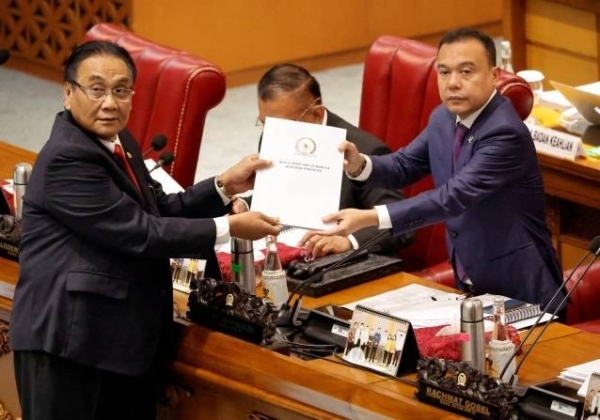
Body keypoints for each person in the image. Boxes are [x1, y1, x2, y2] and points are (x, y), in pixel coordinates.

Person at [9, 40, 280, 420]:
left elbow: (160, 208)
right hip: (69, 347)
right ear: (68, 93)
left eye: (121, 90)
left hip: (116, 342)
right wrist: (228, 226)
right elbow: (142, 233)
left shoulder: (120, 141)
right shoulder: (67, 158)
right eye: (97, 89)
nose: (110, 102)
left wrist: (223, 185)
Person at [300, 28, 564, 309]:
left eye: (466, 72)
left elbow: (452, 198)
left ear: (494, 75)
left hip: (521, 287)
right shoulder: (443, 117)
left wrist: (368, 217)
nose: (453, 83)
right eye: (444, 72)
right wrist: (360, 164)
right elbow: (405, 164)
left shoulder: (504, 133)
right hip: (472, 279)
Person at [243, 63, 413, 258]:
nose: (273, 133)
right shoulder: (272, 136)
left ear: (316, 114)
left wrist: (348, 242)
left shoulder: (367, 151)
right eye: (265, 123)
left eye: (283, 125)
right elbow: (288, 198)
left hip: (340, 261)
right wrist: (246, 204)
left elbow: (401, 224)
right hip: (284, 247)